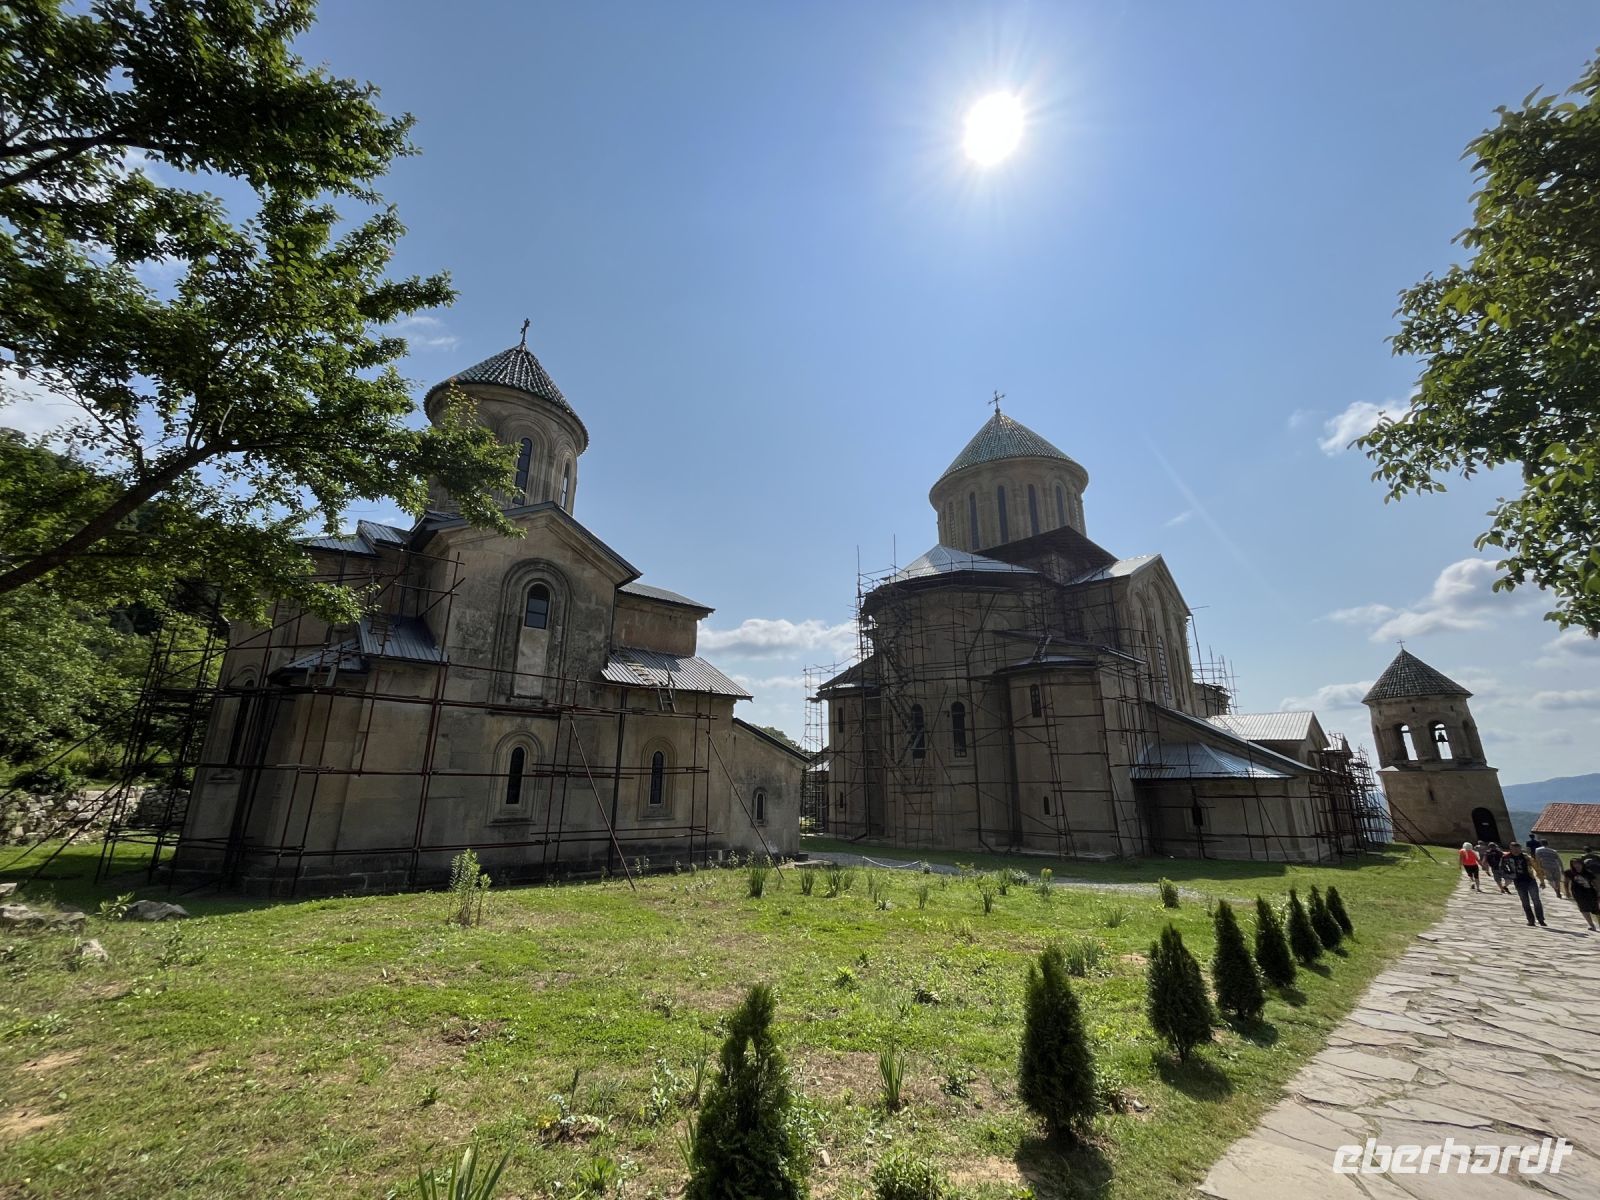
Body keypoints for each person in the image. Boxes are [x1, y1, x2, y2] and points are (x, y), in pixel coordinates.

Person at [1500, 842, 1546, 927]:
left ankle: (1541, 919)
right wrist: (1509, 875)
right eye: (1514, 849)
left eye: (1518, 849)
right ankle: (1530, 920)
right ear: (1511, 849)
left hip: (1530, 880)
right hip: (1518, 882)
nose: (1516, 851)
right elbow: (1502, 869)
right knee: (1525, 902)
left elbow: (1537, 868)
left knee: (1536, 900)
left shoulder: (1526, 857)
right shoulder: (1506, 858)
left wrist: (1542, 881)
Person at [1565, 857, 1600, 933]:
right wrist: (1567, 891)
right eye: (1574, 864)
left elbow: (1595, 883)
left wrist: (1598, 892)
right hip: (1578, 893)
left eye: (1578, 863)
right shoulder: (1569, 872)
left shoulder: (1588, 873)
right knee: (1583, 909)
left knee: (1596, 910)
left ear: (1582, 864)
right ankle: (1591, 925)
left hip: (1590, 893)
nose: (1576, 865)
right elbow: (1566, 882)